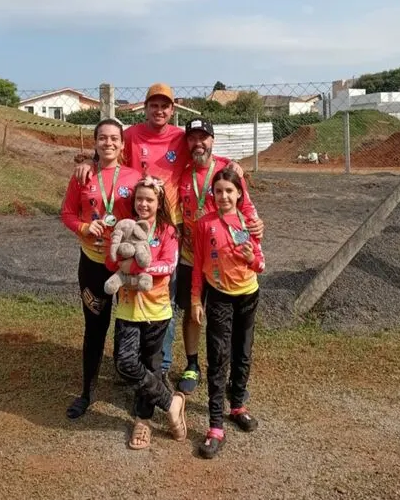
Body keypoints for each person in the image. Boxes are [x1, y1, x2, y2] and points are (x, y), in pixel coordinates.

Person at [72, 82, 260, 387]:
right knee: (130, 292)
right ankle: (128, 360)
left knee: (164, 297)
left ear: (173, 110)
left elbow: (205, 155)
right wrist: (89, 163)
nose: (159, 111)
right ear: (146, 108)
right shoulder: (131, 134)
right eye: (154, 105)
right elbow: (111, 154)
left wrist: (231, 164)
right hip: (137, 227)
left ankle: (161, 364)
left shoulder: (180, 137)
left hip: (171, 230)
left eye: (165, 106)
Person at [60, 118, 141, 419]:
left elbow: (148, 214)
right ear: (95, 143)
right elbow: (67, 213)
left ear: (122, 144)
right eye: (103, 138)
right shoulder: (82, 176)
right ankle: (87, 393)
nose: (108, 143)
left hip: (125, 267)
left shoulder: (135, 178)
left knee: (132, 328)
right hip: (92, 265)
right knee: (94, 329)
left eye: (114, 139)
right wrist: (83, 227)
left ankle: (137, 389)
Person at [174, 117, 261, 395]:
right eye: (192, 138)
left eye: (204, 137)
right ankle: (192, 364)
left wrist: (255, 235)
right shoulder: (182, 173)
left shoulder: (227, 170)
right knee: (192, 310)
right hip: (191, 255)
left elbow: (246, 210)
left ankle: (235, 378)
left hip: (226, 260)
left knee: (228, 321)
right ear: (187, 142)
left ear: (213, 140)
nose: (198, 143)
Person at [105, 175, 187, 449]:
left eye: (149, 199)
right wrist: (120, 259)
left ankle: (142, 422)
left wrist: (139, 268)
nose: (143, 204)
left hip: (156, 310)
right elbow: (110, 259)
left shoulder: (169, 231)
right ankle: (171, 403)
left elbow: (168, 266)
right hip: (128, 309)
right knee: (125, 362)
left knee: (152, 366)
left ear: (159, 202)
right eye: (139, 199)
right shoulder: (124, 227)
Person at [190, 167, 265, 459]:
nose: (223, 196)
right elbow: (197, 265)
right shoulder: (204, 223)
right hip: (218, 297)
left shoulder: (250, 223)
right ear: (213, 194)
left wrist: (252, 259)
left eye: (229, 191)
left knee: (243, 352)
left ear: (239, 194)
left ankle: (237, 406)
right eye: (218, 191)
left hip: (248, 296)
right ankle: (215, 426)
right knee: (218, 356)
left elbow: (260, 263)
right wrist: (196, 300)